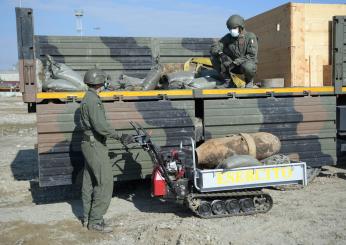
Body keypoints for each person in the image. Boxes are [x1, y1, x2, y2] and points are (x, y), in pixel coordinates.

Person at [80, 68, 133, 233]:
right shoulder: (93, 101)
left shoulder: (87, 98)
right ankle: (96, 221)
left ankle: (88, 217)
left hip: (89, 144)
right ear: (100, 83)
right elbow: (100, 126)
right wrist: (119, 136)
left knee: (89, 183)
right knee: (105, 183)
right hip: (95, 144)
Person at [210, 14, 258, 88]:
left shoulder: (250, 36)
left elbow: (251, 55)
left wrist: (236, 62)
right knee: (214, 57)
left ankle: (249, 81)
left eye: (234, 28)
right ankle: (228, 82)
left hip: (244, 65)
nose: (232, 30)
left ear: (240, 27)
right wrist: (221, 53)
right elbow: (215, 47)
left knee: (248, 66)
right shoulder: (228, 37)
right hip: (232, 65)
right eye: (230, 29)